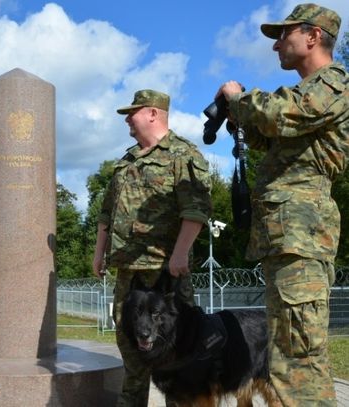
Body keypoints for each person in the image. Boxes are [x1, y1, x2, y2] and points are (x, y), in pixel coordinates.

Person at [218, 3, 348, 406]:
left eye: (283, 35)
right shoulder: (310, 93)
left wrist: (239, 99)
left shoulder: (332, 83)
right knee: (289, 355)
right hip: (288, 238)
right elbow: (274, 135)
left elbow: (282, 114)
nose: (276, 45)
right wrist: (241, 122)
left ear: (312, 36)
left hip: (301, 236)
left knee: (298, 361)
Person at [92, 89, 211, 406]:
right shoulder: (126, 160)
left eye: (133, 112)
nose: (128, 120)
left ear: (153, 113)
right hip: (128, 274)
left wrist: (181, 252)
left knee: (178, 357)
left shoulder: (183, 155)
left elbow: (196, 209)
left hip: (166, 276)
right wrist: (98, 252)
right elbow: (107, 212)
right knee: (131, 350)